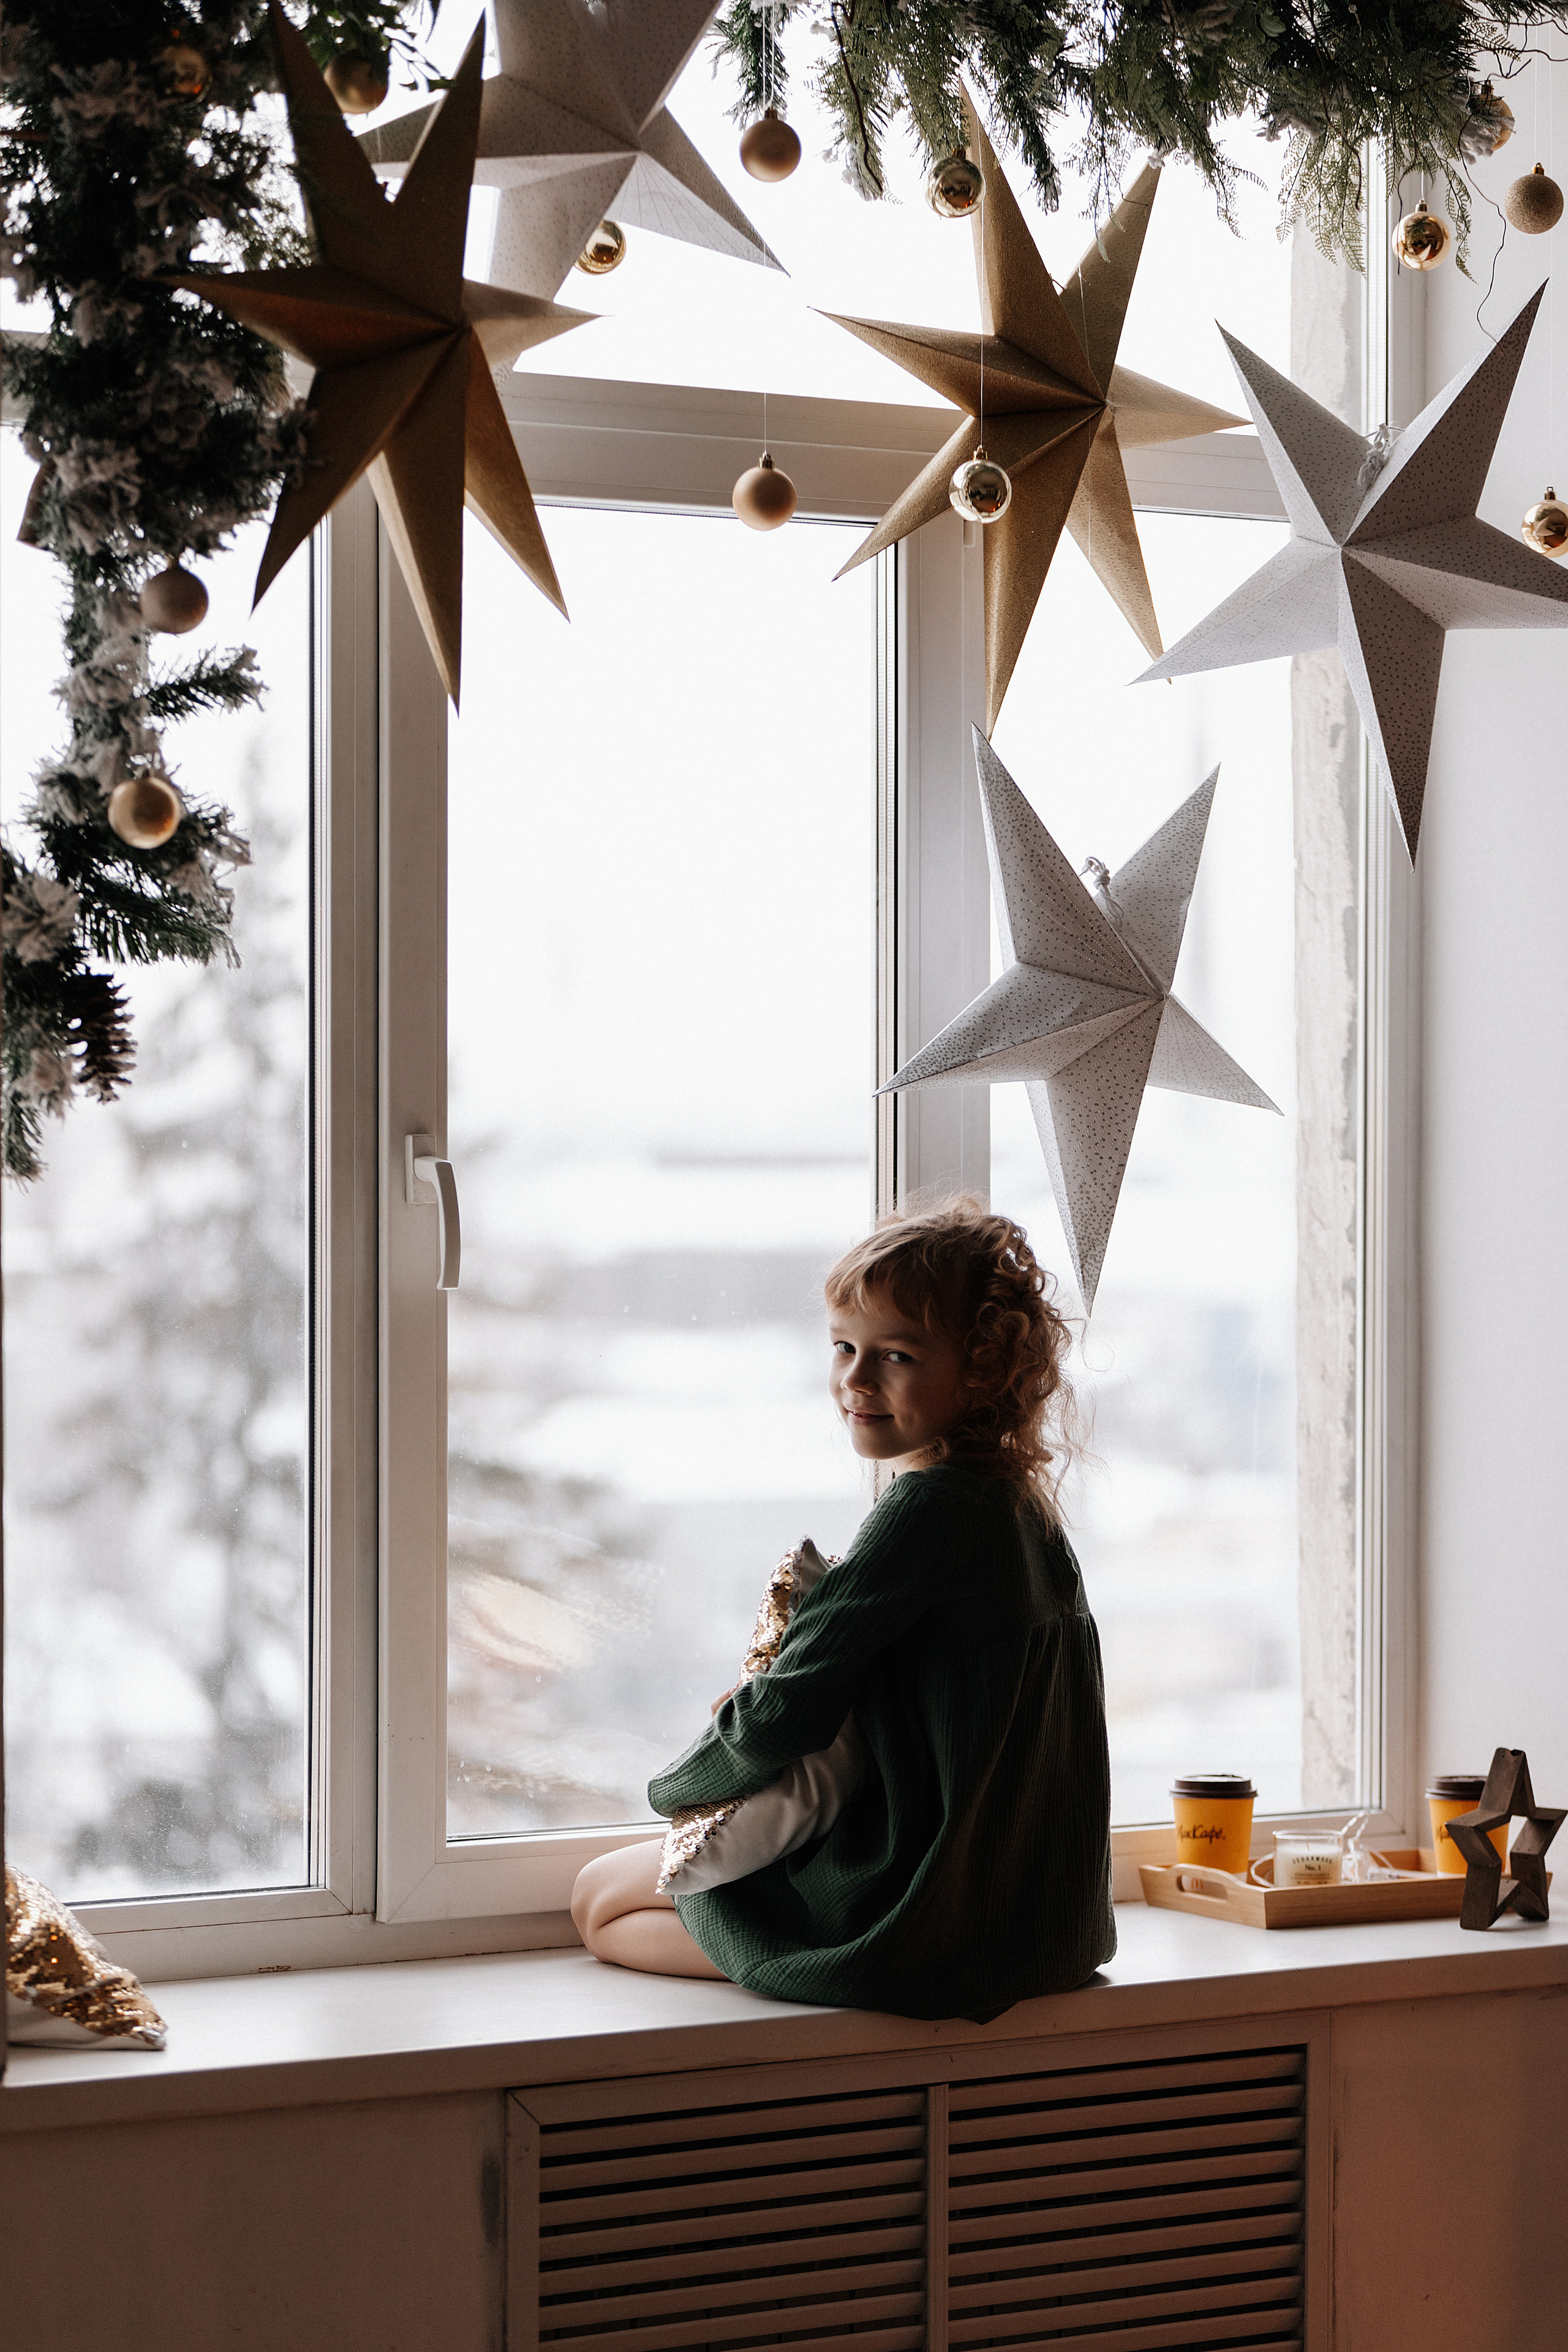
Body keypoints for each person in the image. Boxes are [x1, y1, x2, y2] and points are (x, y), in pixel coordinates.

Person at [570, 1199, 1115, 2021]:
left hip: (929, 1924)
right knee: (617, 1889)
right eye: (844, 1347)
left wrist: (676, 1791)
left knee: (596, 1903)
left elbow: (785, 1712)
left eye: (895, 1355)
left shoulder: (927, 1509)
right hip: (1045, 1926)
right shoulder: (1022, 1508)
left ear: (984, 1370)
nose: (855, 1381)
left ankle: (811, 1967)